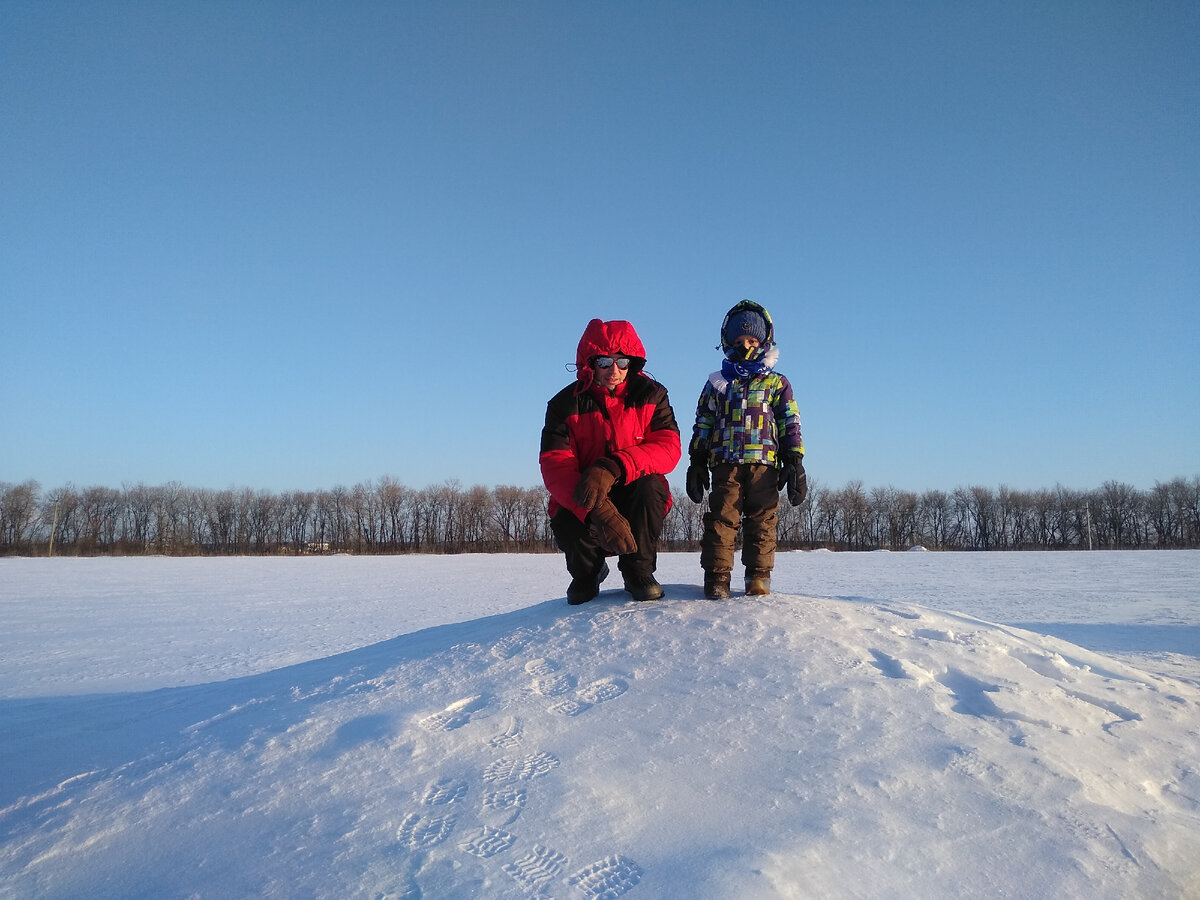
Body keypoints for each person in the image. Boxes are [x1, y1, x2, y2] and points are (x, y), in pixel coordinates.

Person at [540, 319, 682, 604]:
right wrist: (598, 509)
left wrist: (614, 466)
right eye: (605, 361)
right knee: (567, 515)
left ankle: (638, 571)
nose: (614, 370)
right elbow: (554, 463)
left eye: (622, 361)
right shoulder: (563, 404)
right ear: (590, 363)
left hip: (632, 486)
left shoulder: (652, 395)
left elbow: (668, 448)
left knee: (650, 487)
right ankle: (587, 573)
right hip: (582, 492)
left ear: (633, 362)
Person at [686, 300, 806, 599]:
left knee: (762, 520)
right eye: (739, 341)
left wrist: (794, 458)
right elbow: (703, 420)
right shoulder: (718, 382)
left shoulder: (776, 382)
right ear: (727, 343)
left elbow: (789, 420)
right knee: (722, 519)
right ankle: (717, 577)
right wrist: (697, 458)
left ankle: (758, 577)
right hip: (724, 462)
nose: (746, 346)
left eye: (752, 340)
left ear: (765, 341)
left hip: (764, 464)